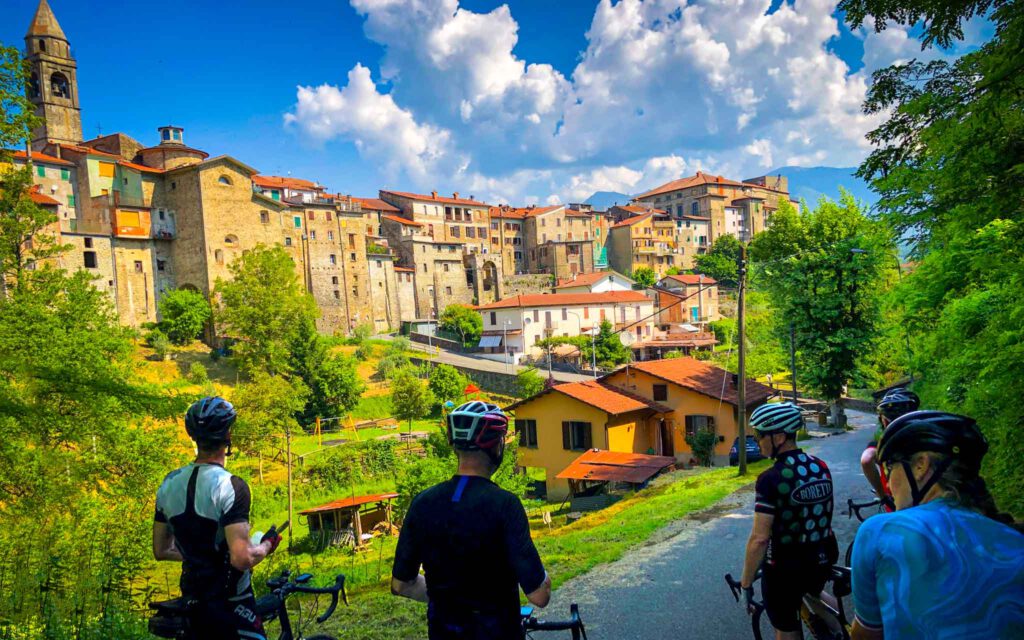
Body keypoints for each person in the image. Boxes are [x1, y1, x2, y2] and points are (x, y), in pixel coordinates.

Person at [850, 411, 1024, 639]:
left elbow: (866, 635)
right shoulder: (1014, 537)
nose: (890, 487)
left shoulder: (879, 531)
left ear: (921, 465)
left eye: (890, 468)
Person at [391, 401, 551, 639]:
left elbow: (401, 584)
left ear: (455, 447)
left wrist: (446, 597)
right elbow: (539, 595)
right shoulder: (504, 505)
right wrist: (544, 579)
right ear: (497, 446)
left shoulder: (422, 503)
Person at [153, 396, 282, 640]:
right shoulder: (231, 486)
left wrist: (199, 556)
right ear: (228, 436)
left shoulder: (168, 484)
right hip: (230, 600)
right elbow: (242, 558)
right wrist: (267, 545)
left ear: (194, 437)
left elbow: (160, 550)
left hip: (192, 599)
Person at [739, 402, 837, 640]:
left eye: (760, 435)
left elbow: (760, 539)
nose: (756, 440)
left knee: (786, 629)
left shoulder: (770, 479)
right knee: (814, 590)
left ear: (780, 436)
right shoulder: (820, 466)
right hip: (823, 555)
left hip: (786, 568)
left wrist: (746, 583)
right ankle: (845, 628)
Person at [860, 389, 920, 511]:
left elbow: (866, 460)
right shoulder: (925, 441)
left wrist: (883, 496)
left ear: (884, 420)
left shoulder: (882, 445)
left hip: (895, 505)